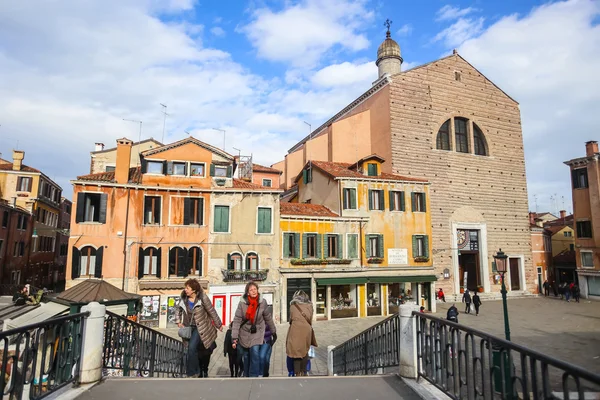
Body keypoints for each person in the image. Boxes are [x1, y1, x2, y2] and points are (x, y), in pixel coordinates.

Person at [175, 279, 223, 378]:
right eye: (185, 288)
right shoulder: (183, 298)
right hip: (188, 327)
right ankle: (198, 370)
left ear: (193, 290)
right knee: (192, 349)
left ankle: (192, 373)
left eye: (187, 288)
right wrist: (178, 321)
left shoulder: (202, 298)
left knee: (192, 347)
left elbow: (211, 311)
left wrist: (219, 324)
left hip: (201, 327)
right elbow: (178, 310)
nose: (185, 290)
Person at [232, 282, 277, 378]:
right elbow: (237, 320)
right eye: (251, 290)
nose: (253, 291)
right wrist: (234, 337)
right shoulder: (242, 303)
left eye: (255, 289)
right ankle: (246, 375)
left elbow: (268, 317)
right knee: (247, 356)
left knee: (255, 352)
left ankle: (253, 377)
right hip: (244, 332)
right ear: (247, 292)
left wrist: (273, 331)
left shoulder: (262, 302)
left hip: (257, 331)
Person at [286, 290, 314, 377]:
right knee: (305, 351)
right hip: (307, 330)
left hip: (295, 329)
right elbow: (310, 318)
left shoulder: (292, 307)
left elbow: (291, 319)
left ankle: (297, 372)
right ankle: (304, 371)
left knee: (296, 352)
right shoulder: (310, 306)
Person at [259, 306, 276, 377]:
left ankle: (265, 374)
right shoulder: (258, 322)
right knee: (262, 357)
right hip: (261, 342)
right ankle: (262, 373)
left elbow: (274, 334)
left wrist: (271, 342)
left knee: (266, 359)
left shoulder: (269, 322)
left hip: (267, 341)